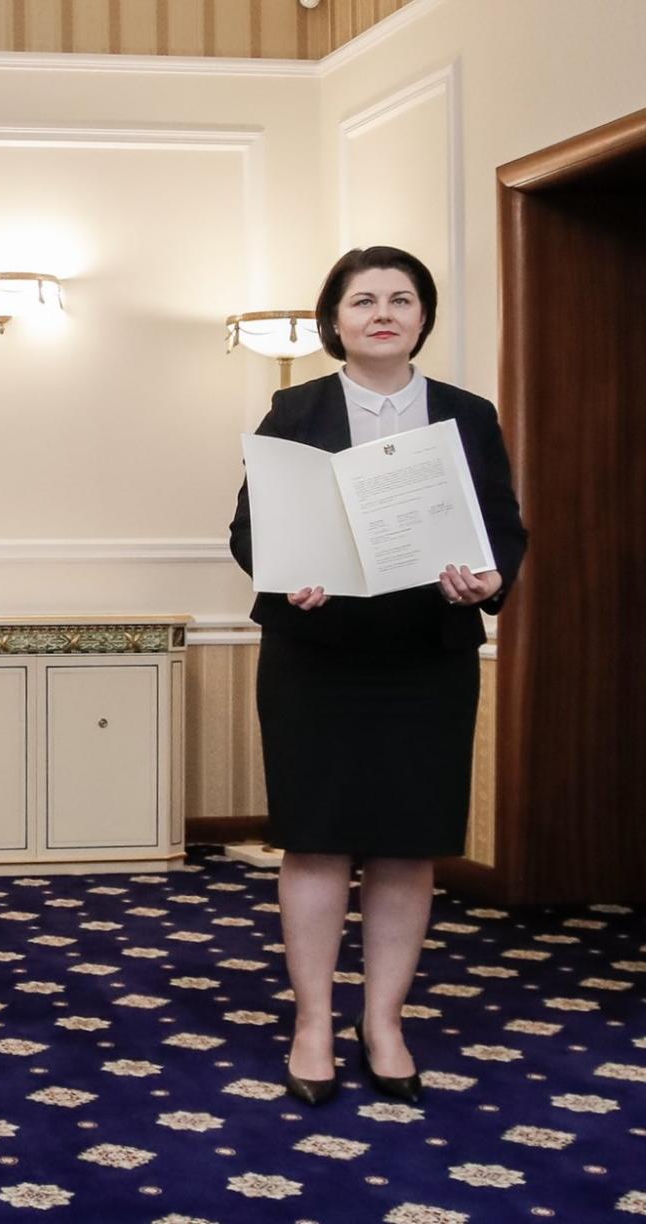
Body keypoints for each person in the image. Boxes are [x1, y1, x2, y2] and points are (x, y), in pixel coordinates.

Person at [229, 246, 526, 1107]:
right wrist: (289, 569)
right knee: (316, 836)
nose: (382, 313)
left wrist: (489, 577)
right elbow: (250, 531)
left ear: (423, 319)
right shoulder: (293, 409)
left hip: (422, 657)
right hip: (315, 655)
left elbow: (501, 526)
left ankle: (384, 1020)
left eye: (401, 299)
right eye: (362, 301)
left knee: (404, 843)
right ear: (335, 321)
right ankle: (313, 1019)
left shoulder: (467, 415)